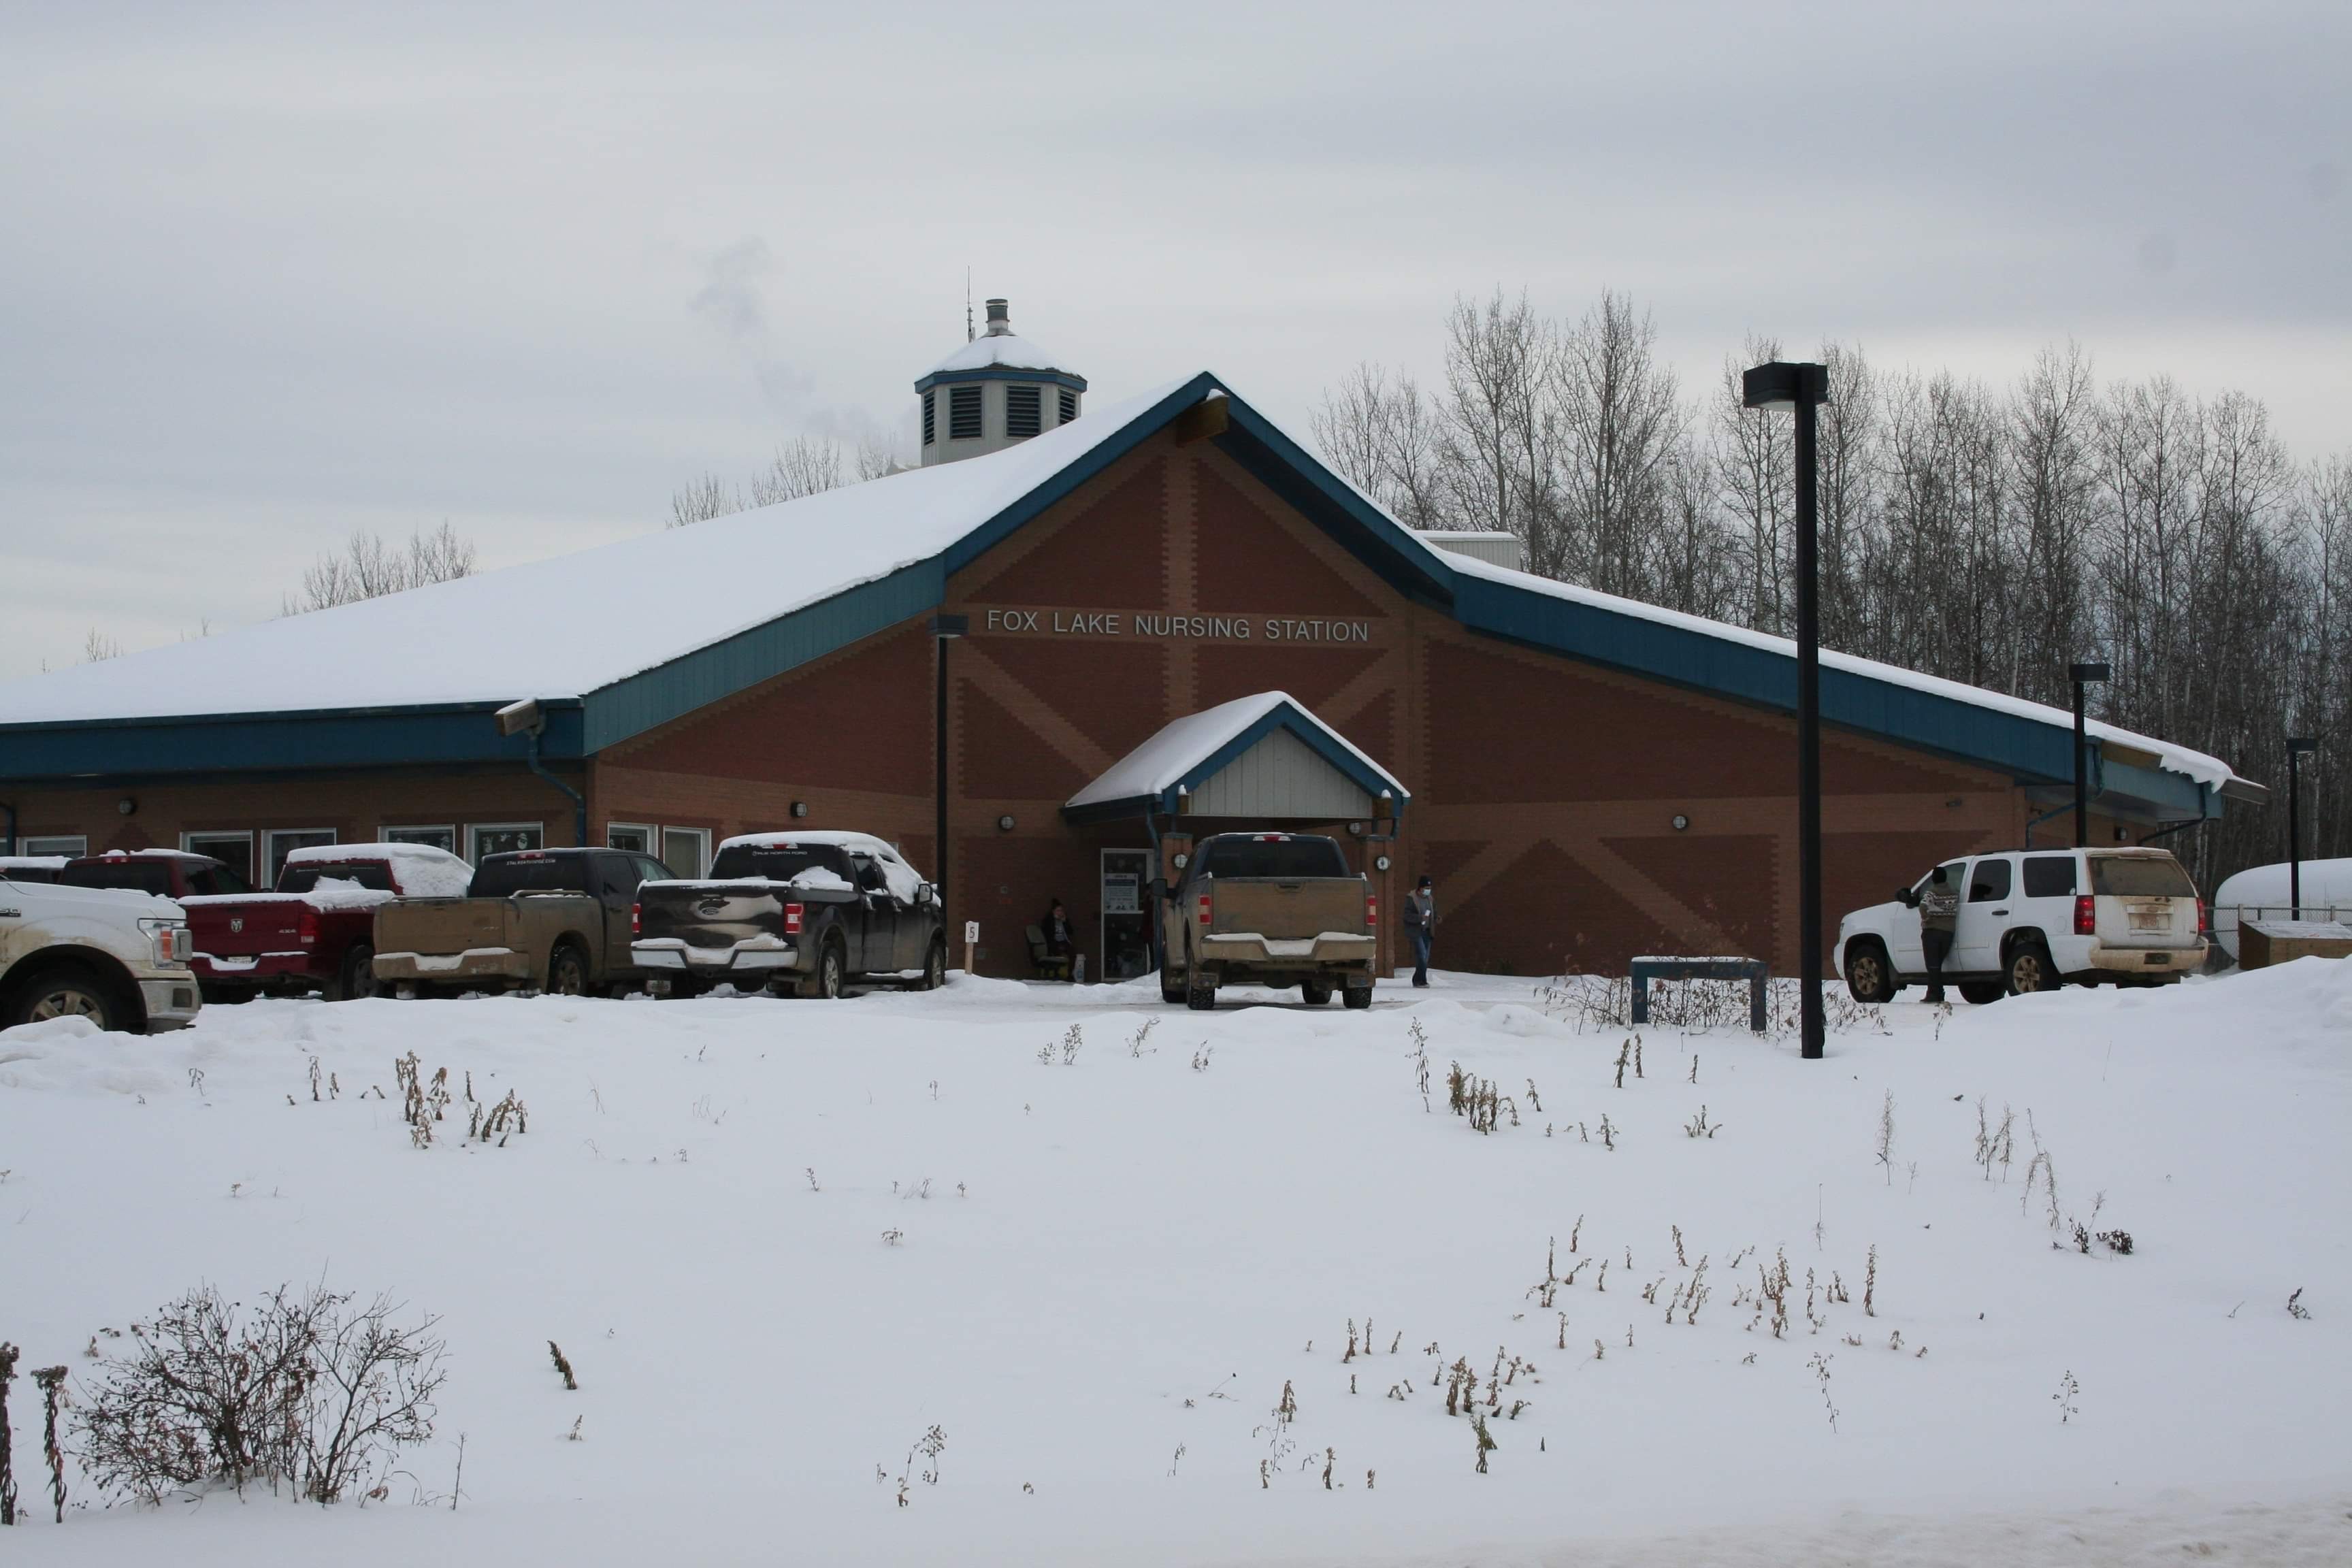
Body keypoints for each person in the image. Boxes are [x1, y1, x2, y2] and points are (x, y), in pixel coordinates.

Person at [1918, 864, 1958, 1004]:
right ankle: (1937, 992)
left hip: (1932, 931)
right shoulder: (1954, 893)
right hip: (1948, 932)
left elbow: (1923, 906)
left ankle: (1934, 994)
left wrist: (1926, 919)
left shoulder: (1932, 892)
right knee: (1938, 963)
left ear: (1933, 879)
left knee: (1932, 965)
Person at [1403, 875, 1436, 987]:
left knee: (1425, 958)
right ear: (1420, 888)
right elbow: (1407, 915)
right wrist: (1420, 918)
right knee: (1422, 955)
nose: (1428, 890)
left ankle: (1417, 979)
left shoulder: (1430, 899)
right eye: (1426, 888)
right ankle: (1422, 980)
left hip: (1427, 931)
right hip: (1417, 931)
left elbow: (1434, 911)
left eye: (1429, 888)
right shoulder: (1412, 898)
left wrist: (1436, 918)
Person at [1040, 898, 1076, 977]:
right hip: (1054, 941)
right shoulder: (1049, 920)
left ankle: (1069, 974)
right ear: (1053, 911)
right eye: (1058, 911)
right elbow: (1046, 932)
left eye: (1062, 911)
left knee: (1073, 954)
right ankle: (1056, 972)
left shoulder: (1064, 920)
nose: (1060, 913)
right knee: (1057, 952)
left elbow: (1071, 932)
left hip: (1063, 941)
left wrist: (1065, 922)